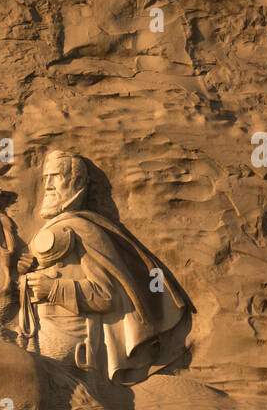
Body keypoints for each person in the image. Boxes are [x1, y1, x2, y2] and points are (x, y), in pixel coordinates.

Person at [19, 149, 191, 384]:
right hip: (36, 330)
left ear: (77, 182)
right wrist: (24, 271)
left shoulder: (85, 230)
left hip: (69, 341)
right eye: (45, 178)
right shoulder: (55, 227)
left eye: (55, 177)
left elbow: (107, 296)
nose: (47, 185)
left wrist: (53, 289)